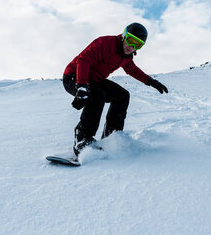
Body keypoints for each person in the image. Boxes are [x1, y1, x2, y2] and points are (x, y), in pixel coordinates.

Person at [63, 22, 168, 156]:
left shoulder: (126, 56)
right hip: (74, 76)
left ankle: (112, 138)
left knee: (122, 95)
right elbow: (83, 60)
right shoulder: (105, 43)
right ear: (124, 36)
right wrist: (82, 86)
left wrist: (151, 81)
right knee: (96, 95)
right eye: (130, 40)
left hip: (95, 80)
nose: (132, 47)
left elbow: (132, 70)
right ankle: (82, 140)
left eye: (138, 45)